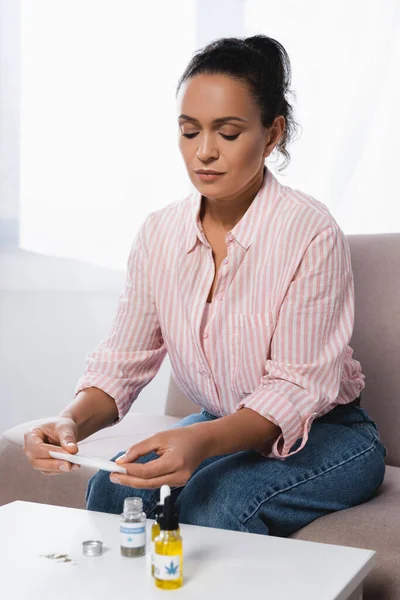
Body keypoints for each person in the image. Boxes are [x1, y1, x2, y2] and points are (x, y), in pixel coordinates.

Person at [23, 35, 387, 537]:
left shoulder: (310, 232)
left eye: (228, 133)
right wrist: (70, 423)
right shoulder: (159, 234)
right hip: (219, 423)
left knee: (218, 505)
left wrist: (201, 442)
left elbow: (295, 388)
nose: (205, 152)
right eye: (190, 132)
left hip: (328, 436)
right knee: (112, 488)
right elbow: (121, 365)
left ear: (272, 134)